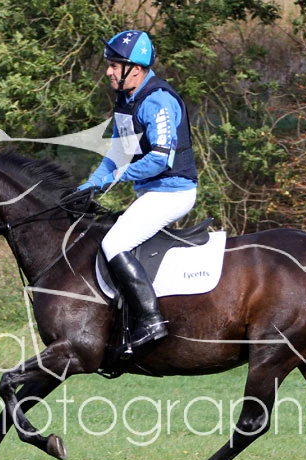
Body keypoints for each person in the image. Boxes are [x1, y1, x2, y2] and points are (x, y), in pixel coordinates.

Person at [78, 30, 199, 350]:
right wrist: (90, 185)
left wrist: (118, 176)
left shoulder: (157, 101)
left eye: (114, 66)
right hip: (152, 192)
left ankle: (151, 320)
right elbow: (119, 152)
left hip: (173, 192)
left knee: (114, 242)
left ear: (136, 69)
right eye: (109, 65)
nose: (108, 71)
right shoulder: (126, 100)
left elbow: (160, 159)